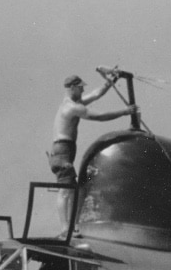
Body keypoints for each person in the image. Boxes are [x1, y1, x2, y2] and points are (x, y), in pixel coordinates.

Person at [49, 71, 138, 226]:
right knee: (66, 191)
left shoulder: (74, 103)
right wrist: (125, 112)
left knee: (69, 190)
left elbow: (96, 94)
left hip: (65, 150)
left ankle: (69, 226)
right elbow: (98, 116)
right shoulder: (71, 107)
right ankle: (65, 228)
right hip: (62, 151)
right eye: (80, 88)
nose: (83, 90)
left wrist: (111, 81)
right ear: (72, 88)